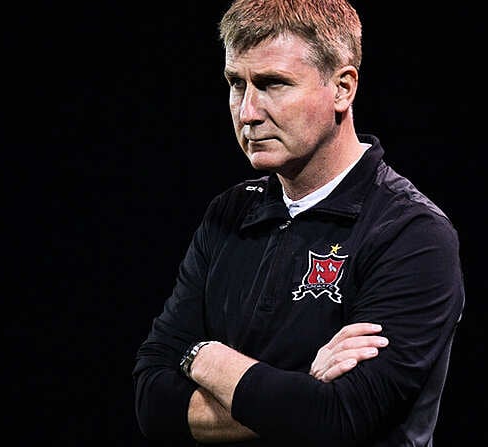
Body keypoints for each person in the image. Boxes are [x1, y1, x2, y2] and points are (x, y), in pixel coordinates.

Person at [132, 1, 465, 445]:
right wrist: (303, 384)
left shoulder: (413, 234)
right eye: (237, 84)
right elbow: (151, 404)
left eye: (273, 84)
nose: (248, 111)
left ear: (343, 89)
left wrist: (202, 357)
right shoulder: (229, 212)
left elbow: (338, 420)